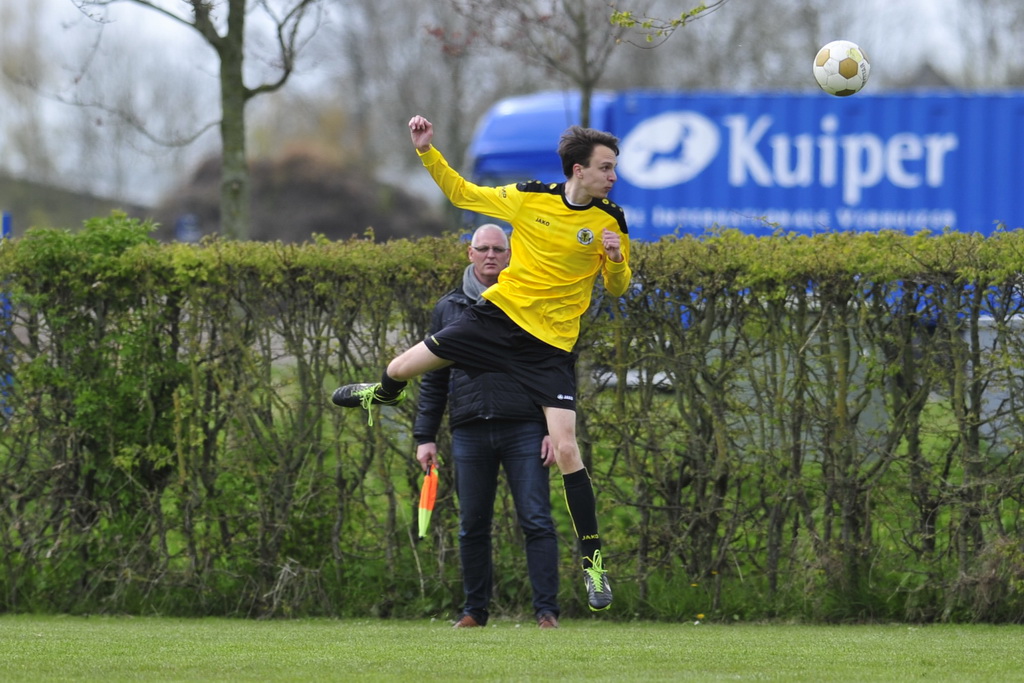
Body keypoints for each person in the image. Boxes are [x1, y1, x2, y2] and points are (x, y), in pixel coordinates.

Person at [333, 114, 631, 612]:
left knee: (567, 451)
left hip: (550, 348)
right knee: (402, 367)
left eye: (614, 169)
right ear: (578, 170)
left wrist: (616, 259)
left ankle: (593, 564)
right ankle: (378, 395)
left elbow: (618, 288)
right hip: (497, 320)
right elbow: (462, 194)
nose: (613, 177)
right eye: (606, 168)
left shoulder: (610, 220)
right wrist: (427, 151)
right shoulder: (529, 196)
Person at [415, 223, 560, 630]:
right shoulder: (448, 308)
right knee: (472, 524)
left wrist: (555, 427)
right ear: (470, 253)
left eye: (499, 249)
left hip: (526, 428)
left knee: (536, 520)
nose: (492, 255)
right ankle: (474, 612)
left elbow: (552, 367)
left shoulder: (530, 301)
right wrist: (425, 436)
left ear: (511, 255)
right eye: (484, 248)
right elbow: (433, 376)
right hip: (469, 429)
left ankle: (547, 612)